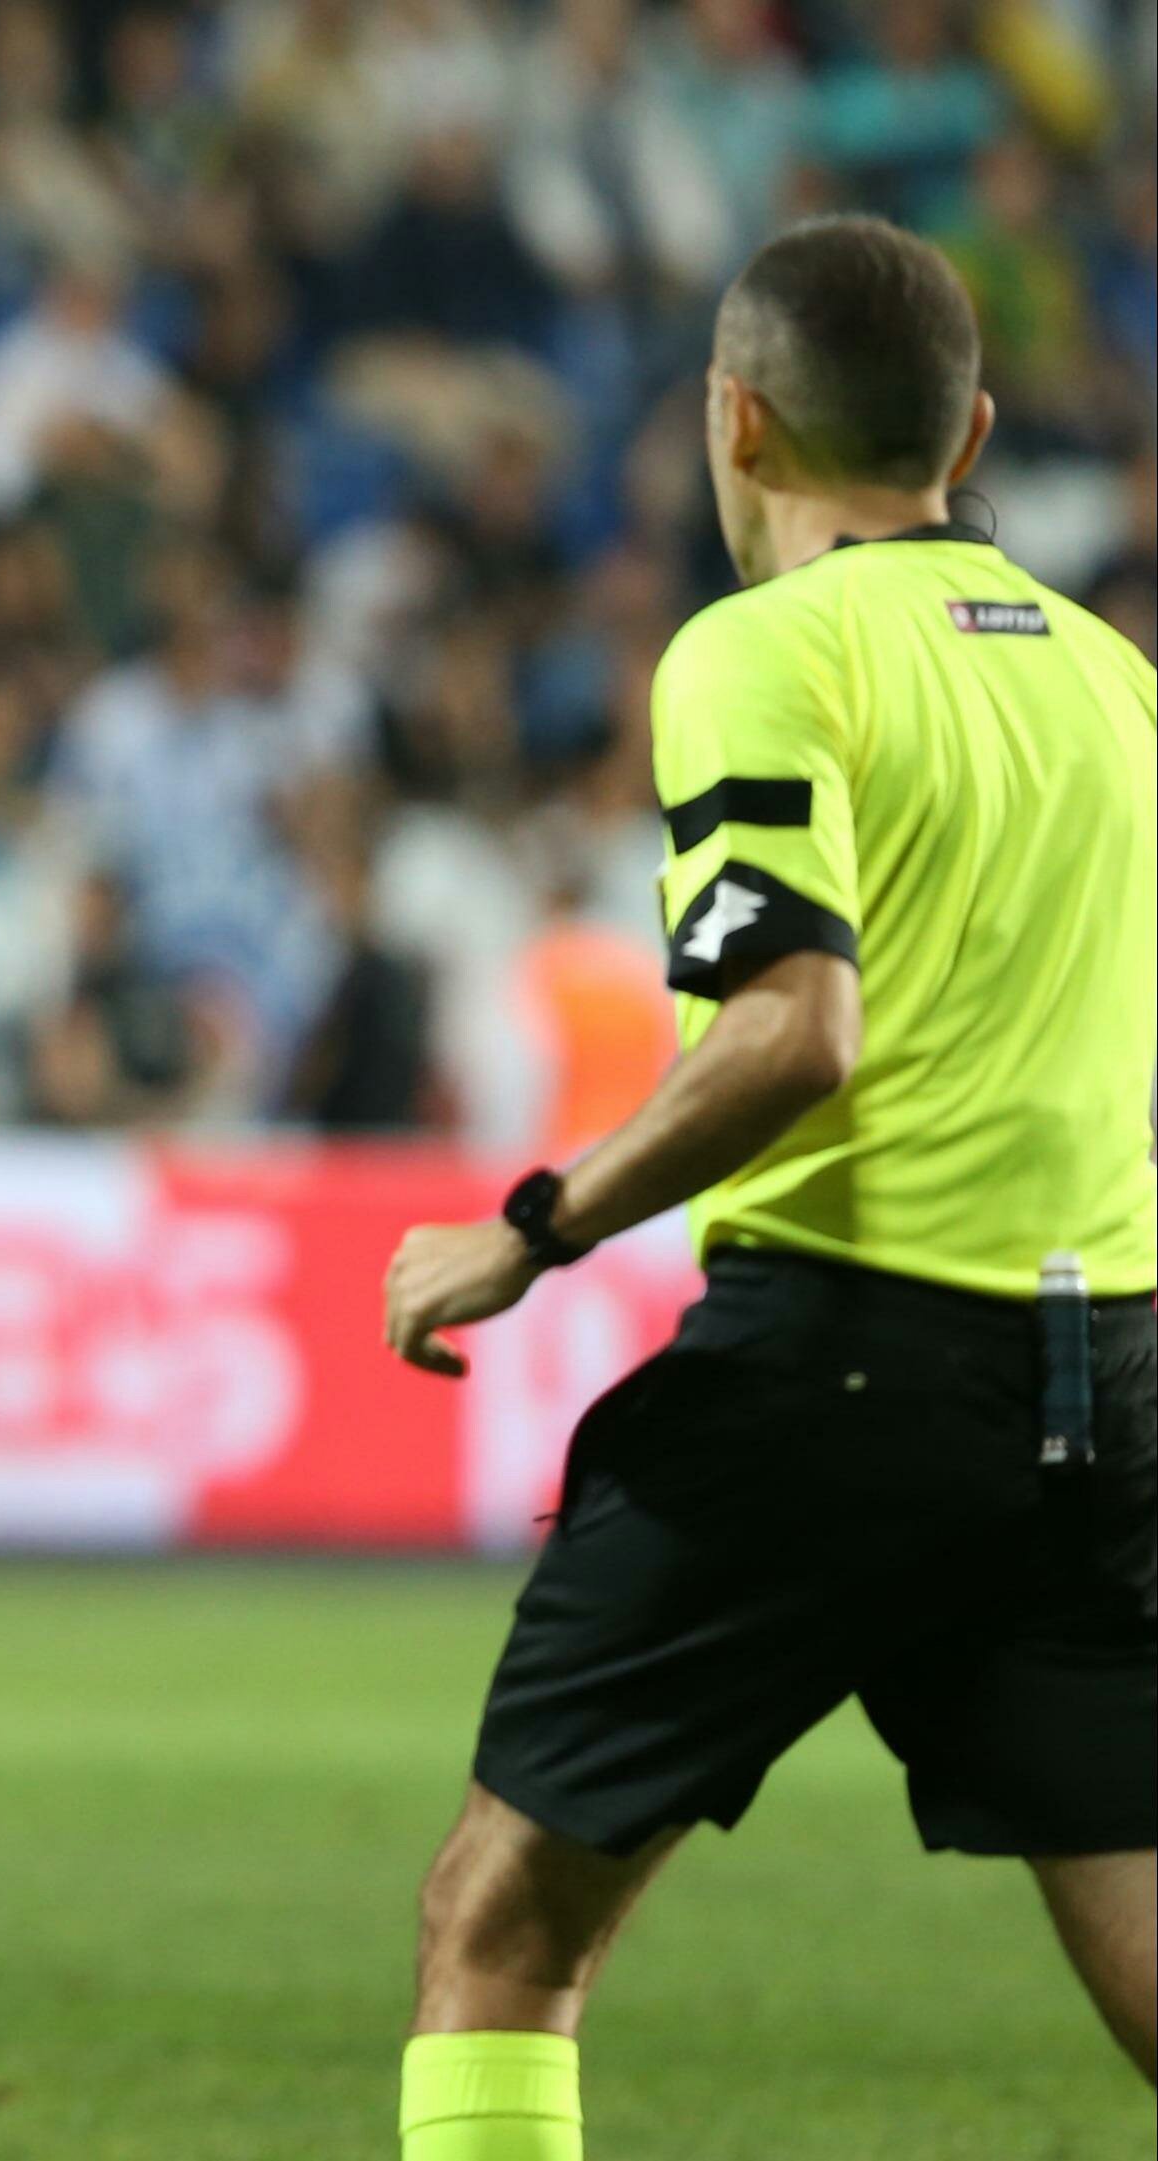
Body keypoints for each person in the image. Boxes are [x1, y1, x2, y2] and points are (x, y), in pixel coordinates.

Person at [379, 216, 1155, 2160]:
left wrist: (529, 1229)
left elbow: (797, 1031)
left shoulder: (763, 651)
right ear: (968, 433)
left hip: (843, 1361)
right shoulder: (1111, 682)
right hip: (1106, 1386)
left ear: (735, 419)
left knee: (501, 1923)